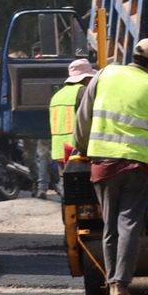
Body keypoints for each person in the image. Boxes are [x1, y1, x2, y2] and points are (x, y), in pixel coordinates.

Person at [74, 38, 148, 295]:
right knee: (129, 224)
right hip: (137, 166)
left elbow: (83, 116)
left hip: (102, 163)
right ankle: (120, 288)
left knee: (110, 225)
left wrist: (83, 149)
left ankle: (113, 288)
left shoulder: (105, 74)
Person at [44, 57, 99, 196]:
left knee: (69, 191)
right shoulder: (83, 92)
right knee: (86, 193)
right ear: (86, 79)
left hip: (60, 150)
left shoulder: (57, 96)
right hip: (78, 150)